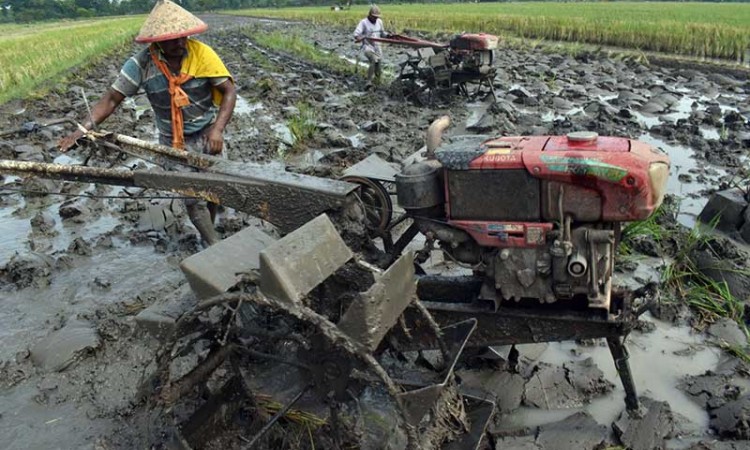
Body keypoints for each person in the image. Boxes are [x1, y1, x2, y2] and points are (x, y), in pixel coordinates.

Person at [59, 0, 236, 246]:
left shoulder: (202, 54)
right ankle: (213, 244)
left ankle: (212, 227)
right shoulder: (141, 64)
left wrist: (218, 129)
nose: (180, 43)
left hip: (208, 135)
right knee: (192, 199)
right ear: (157, 41)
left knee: (216, 190)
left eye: (183, 37)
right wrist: (81, 130)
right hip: (174, 144)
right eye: (172, 39)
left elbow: (229, 91)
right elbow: (111, 99)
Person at [353, 5, 386, 89]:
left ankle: (378, 82)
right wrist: (360, 38)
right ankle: (369, 81)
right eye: (374, 17)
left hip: (378, 46)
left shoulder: (379, 22)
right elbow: (356, 34)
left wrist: (389, 35)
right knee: (373, 60)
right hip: (367, 46)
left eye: (377, 17)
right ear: (370, 15)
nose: (375, 19)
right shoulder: (363, 22)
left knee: (379, 65)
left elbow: (382, 33)